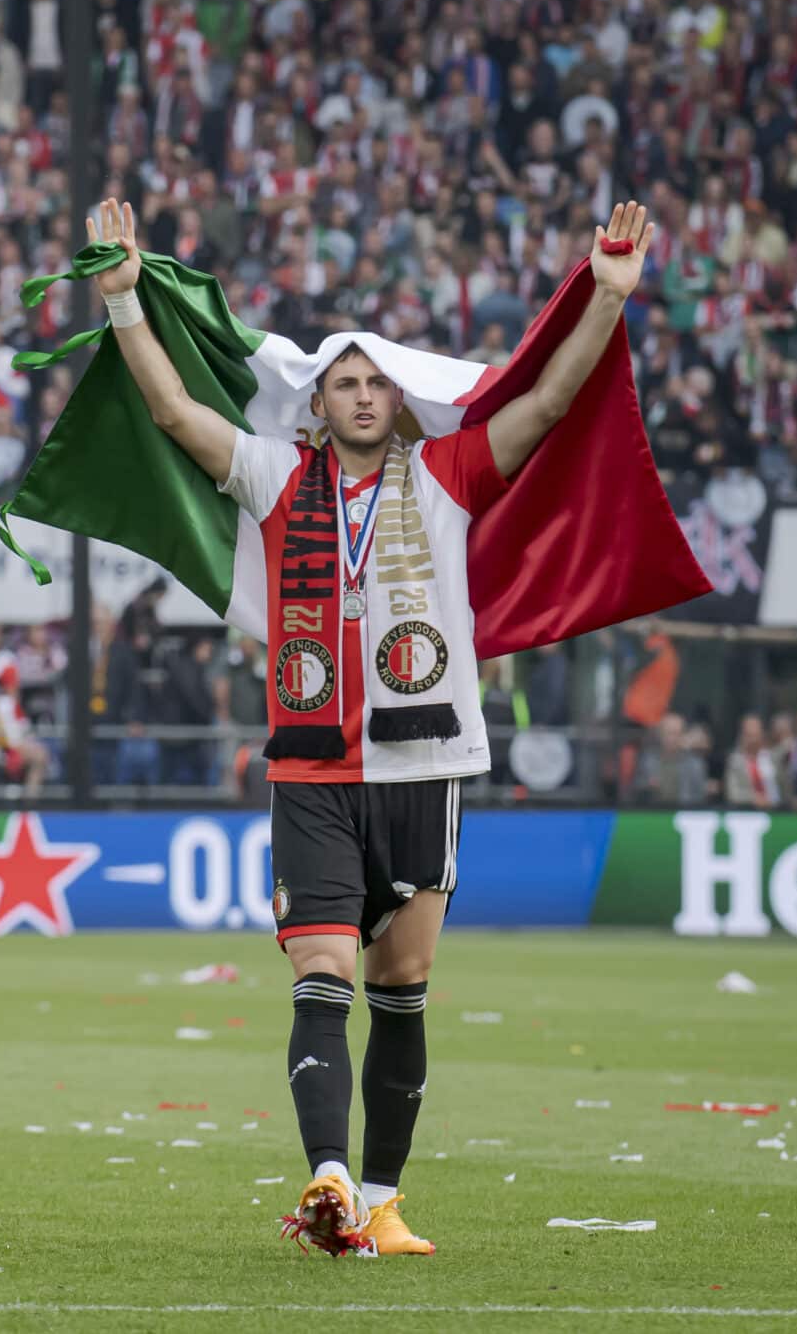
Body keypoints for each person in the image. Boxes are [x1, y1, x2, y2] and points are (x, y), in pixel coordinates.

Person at [86, 196, 656, 1255]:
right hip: (308, 770)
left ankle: (383, 1199)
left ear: (398, 402)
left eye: (373, 382)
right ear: (314, 406)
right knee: (320, 976)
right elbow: (172, 412)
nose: (358, 394)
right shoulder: (273, 476)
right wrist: (123, 300)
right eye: (341, 382)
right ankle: (331, 1179)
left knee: (399, 987)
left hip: (425, 763)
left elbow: (546, 406)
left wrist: (605, 304)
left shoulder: (445, 476)